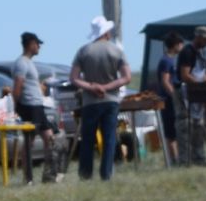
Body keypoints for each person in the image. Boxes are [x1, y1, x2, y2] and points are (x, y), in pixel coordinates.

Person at [70, 17, 132, 182]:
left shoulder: (83, 51)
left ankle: (85, 174)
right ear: (106, 32)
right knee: (109, 138)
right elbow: (126, 77)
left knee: (88, 139)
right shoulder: (116, 50)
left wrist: (92, 87)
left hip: (90, 101)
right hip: (111, 100)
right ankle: (106, 174)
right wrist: (107, 87)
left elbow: (74, 78)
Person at [11, 32, 63, 184]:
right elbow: (18, 85)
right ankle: (28, 177)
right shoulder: (21, 63)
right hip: (29, 107)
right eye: (37, 43)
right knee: (30, 142)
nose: (39, 46)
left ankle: (49, 174)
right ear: (30, 44)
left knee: (49, 138)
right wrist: (14, 107)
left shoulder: (29, 63)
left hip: (38, 106)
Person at [176, 25, 206, 164]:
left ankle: (200, 158)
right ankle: (185, 160)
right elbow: (185, 75)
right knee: (186, 126)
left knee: (199, 126)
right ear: (198, 37)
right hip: (187, 93)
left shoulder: (201, 53)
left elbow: (202, 74)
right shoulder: (188, 52)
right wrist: (202, 87)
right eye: (205, 39)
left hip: (198, 93)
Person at [156, 31, 184, 165]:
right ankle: (174, 159)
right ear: (175, 45)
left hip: (173, 99)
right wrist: (174, 96)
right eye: (181, 44)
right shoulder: (166, 61)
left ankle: (178, 157)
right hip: (168, 100)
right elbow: (165, 81)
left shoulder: (173, 60)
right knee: (171, 131)